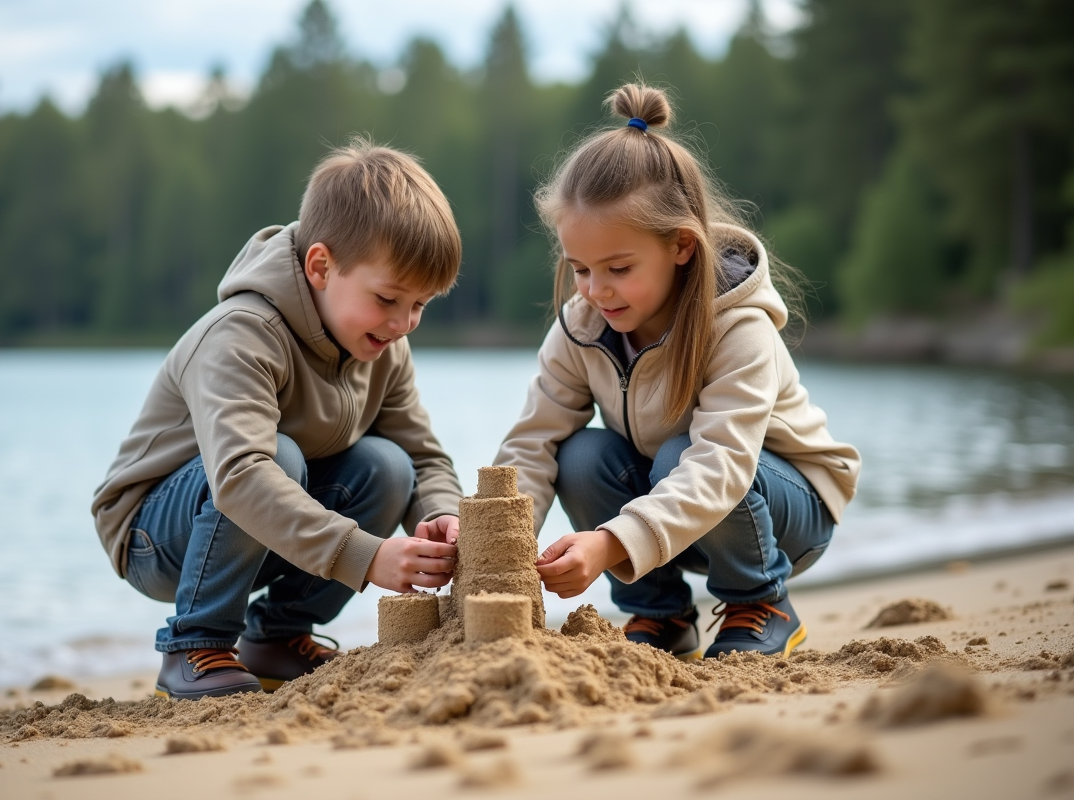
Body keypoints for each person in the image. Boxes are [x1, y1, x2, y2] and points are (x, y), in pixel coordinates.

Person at [494, 83, 861, 660]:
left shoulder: (739, 327)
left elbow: (720, 466)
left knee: (679, 454)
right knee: (580, 457)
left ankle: (760, 602)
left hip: (788, 510)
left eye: (618, 267)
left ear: (682, 247)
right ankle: (661, 616)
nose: (595, 290)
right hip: (678, 514)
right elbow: (533, 441)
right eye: (580, 268)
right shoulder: (582, 324)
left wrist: (609, 543)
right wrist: (494, 534)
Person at [92, 139, 464, 700]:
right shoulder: (241, 334)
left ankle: (277, 637)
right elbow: (241, 477)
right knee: (277, 459)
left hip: (263, 524)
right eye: (388, 298)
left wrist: (439, 515)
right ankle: (195, 644)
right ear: (321, 266)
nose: (404, 322)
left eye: (420, 305)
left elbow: (422, 455)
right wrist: (366, 556)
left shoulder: (384, 345)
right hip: (155, 536)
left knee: (389, 467)